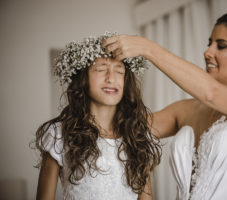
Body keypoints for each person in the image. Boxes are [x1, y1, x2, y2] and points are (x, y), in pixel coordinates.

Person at [102, 10, 227, 200]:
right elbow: (126, 128)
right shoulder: (185, 109)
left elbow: (211, 93)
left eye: (221, 46)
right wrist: (106, 82)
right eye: (210, 44)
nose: (207, 52)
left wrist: (148, 48)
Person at [33, 33, 161, 200]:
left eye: (119, 71)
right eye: (101, 69)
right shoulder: (58, 134)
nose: (111, 78)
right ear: (83, 78)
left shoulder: (137, 135)